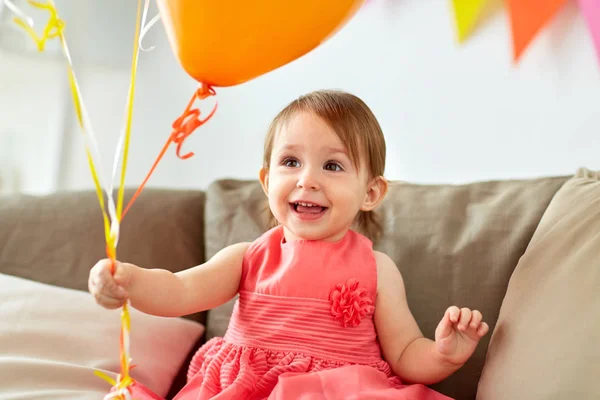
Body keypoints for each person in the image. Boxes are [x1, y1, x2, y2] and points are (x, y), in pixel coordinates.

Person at [89, 89, 489, 400]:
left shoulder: (376, 269)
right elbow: (179, 290)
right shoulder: (247, 259)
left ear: (370, 192)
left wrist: (442, 355)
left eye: (332, 165)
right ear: (266, 182)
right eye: (291, 162)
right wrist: (130, 282)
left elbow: (403, 354)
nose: (307, 180)